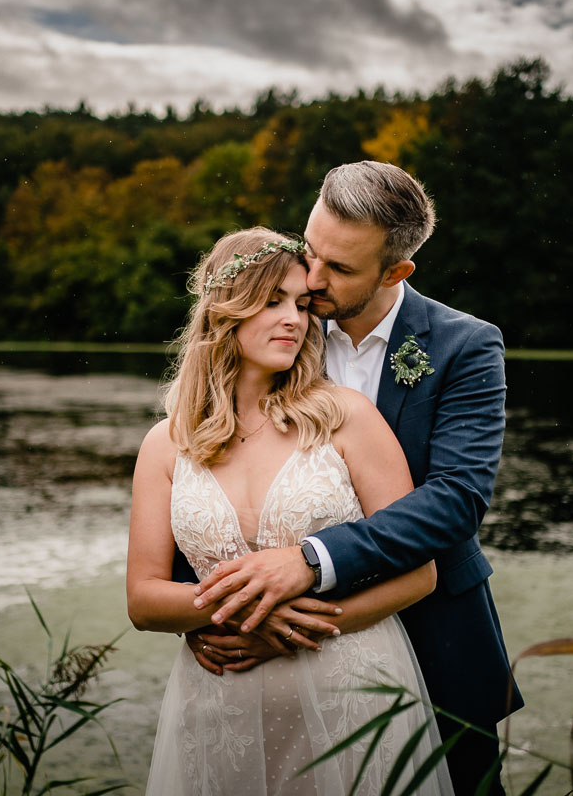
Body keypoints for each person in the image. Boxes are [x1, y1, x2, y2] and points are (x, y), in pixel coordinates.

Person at [188, 162, 523, 795]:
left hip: (436, 634)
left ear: (396, 273)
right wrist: (209, 606)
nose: (312, 278)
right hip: (269, 652)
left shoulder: (465, 346)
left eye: (339, 268)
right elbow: (206, 466)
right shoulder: (277, 323)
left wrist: (312, 560)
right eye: (310, 249)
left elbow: (456, 500)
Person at [126, 227, 455, 795]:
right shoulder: (167, 442)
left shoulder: (346, 417)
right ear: (226, 309)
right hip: (219, 707)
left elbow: (420, 572)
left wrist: (301, 626)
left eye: (302, 305)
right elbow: (143, 599)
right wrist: (249, 613)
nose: (294, 321)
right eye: (273, 301)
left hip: (351, 698)